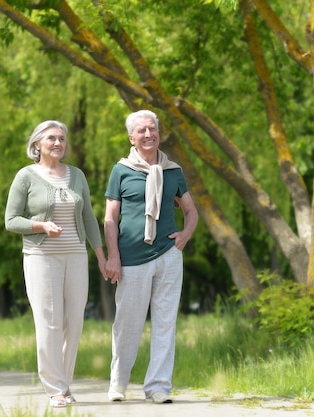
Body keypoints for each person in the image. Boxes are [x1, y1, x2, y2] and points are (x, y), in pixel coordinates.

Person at [4, 120, 106, 408]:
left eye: (62, 138)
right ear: (37, 144)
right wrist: (40, 226)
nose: (58, 142)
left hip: (75, 255)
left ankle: (64, 383)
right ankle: (55, 389)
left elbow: (88, 218)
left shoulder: (77, 176)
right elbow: (11, 220)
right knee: (49, 323)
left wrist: (101, 256)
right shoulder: (26, 176)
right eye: (51, 138)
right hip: (41, 258)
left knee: (73, 322)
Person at [103, 110, 199, 404]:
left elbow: (191, 211)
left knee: (165, 323)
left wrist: (185, 235)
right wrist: (113, 257)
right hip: (131, 258)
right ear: (131, 137)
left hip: (168, 256)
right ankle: (118, 385)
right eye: (141, 131)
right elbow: (110, 218)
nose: (148, 135)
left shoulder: (173, 171)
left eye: (152, 129)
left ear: (159, 133)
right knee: (127, 324)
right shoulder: (121, 170)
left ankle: (158, 387)